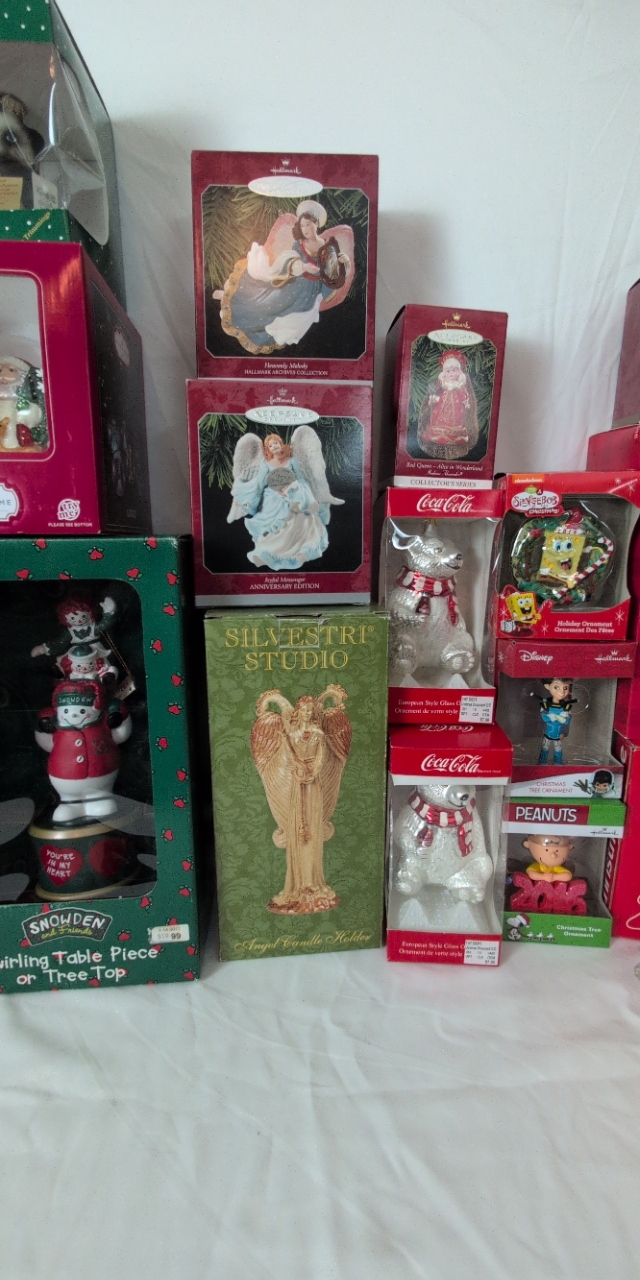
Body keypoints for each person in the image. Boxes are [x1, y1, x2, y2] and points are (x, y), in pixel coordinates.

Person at [213, 199, 352, 354]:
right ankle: (230, 297)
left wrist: (344, 265)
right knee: (267, 301)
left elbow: (332, 274)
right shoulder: (299, 244)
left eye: (308, 224)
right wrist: (302, 266)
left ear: (316, 223)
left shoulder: (328, 246)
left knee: (284, 316)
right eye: (303, 225)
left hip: (308, 293)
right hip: (293, 283)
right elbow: (290, 261)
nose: (305, 229)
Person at [229, 433, 329, 570]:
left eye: (276, 443)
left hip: (293, 492)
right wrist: (247, 499)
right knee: (277, 516)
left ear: (281, 444)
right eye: (270, 445)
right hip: (273, 495)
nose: (274, 446)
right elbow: (259, 485)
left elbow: (300, 479)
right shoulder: (266, 465)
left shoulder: (292, 461)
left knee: (302, 514)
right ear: (268, 450)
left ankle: (299, 549)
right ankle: (275, 551)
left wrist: (298, 493)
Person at [417, 350, 479, 459]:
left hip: (456, 404)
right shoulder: (442, 383)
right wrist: (433, 398)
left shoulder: (459, 385)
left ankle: (454, 435)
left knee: (456, 417)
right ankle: (438, 433)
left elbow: (463, 394)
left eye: (454, 371)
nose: (451, 374)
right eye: (448, 371)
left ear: (458, 372)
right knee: (438, 414)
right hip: (441, 403)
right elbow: (435, 391)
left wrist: (466, 402)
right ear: (444, 372)